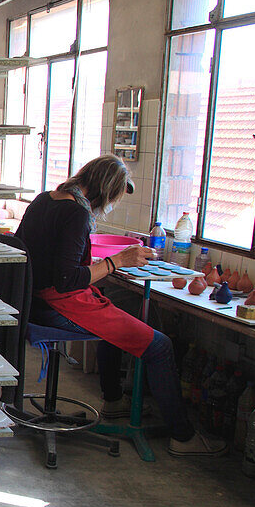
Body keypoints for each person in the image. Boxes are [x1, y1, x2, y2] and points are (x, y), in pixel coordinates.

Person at [15, 154, 226, 457]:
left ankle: (113, 402)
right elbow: (67, 280)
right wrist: (116, 262)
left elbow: (46, 260)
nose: (111, 205)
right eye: (114, 197)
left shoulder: (43, 199)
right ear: (104, 189)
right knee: (160, 345)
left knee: (118, 313)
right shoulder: (76, 213)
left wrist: (102, 264)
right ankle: (183, 436)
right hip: (57, 305)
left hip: (30, 300)